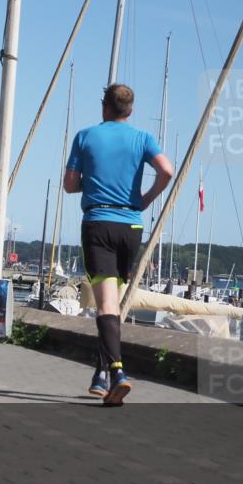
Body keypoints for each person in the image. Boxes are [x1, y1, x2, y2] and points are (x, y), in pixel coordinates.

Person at [64, 83, 173, 406]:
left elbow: (70, 185)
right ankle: (100, 374)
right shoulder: (143, 139)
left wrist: (90, 180)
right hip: (131, 226)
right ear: (131, 109)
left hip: (98, 222)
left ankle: (117, 372)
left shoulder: (85, 136)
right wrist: (145, 199)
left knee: (106, 306)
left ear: (105, 106)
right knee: (111, 305)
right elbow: (166, 170)